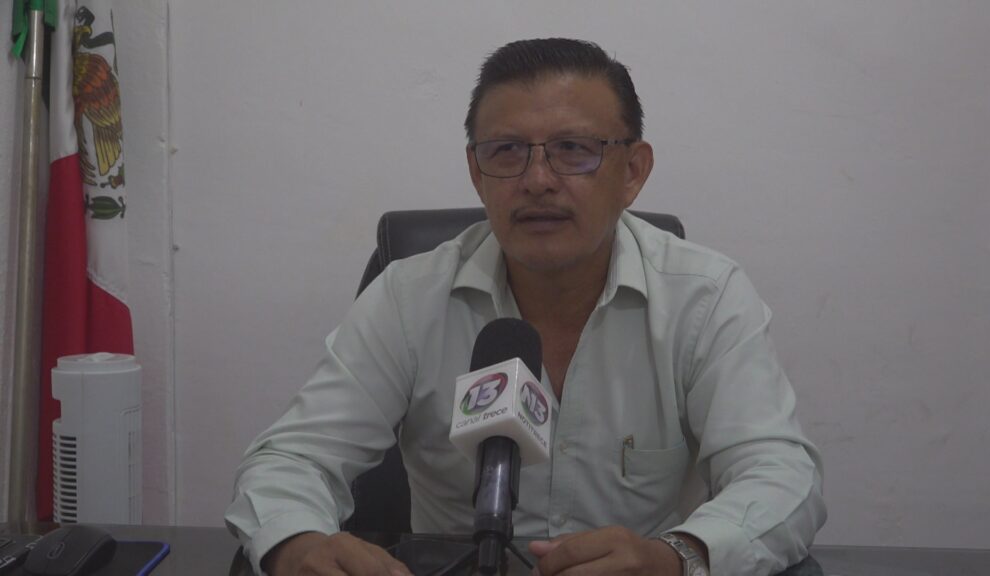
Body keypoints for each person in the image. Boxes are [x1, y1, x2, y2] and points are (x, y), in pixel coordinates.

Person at [226, 38, 826, 576]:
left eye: (574, 149)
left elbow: (781, 476)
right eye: (507, 151)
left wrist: (680, 556)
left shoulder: (704, 298)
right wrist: (296, 543)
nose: (538, 179)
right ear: (476, 172)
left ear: (633, 172)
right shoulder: (408, 299)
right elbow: (291, 459)